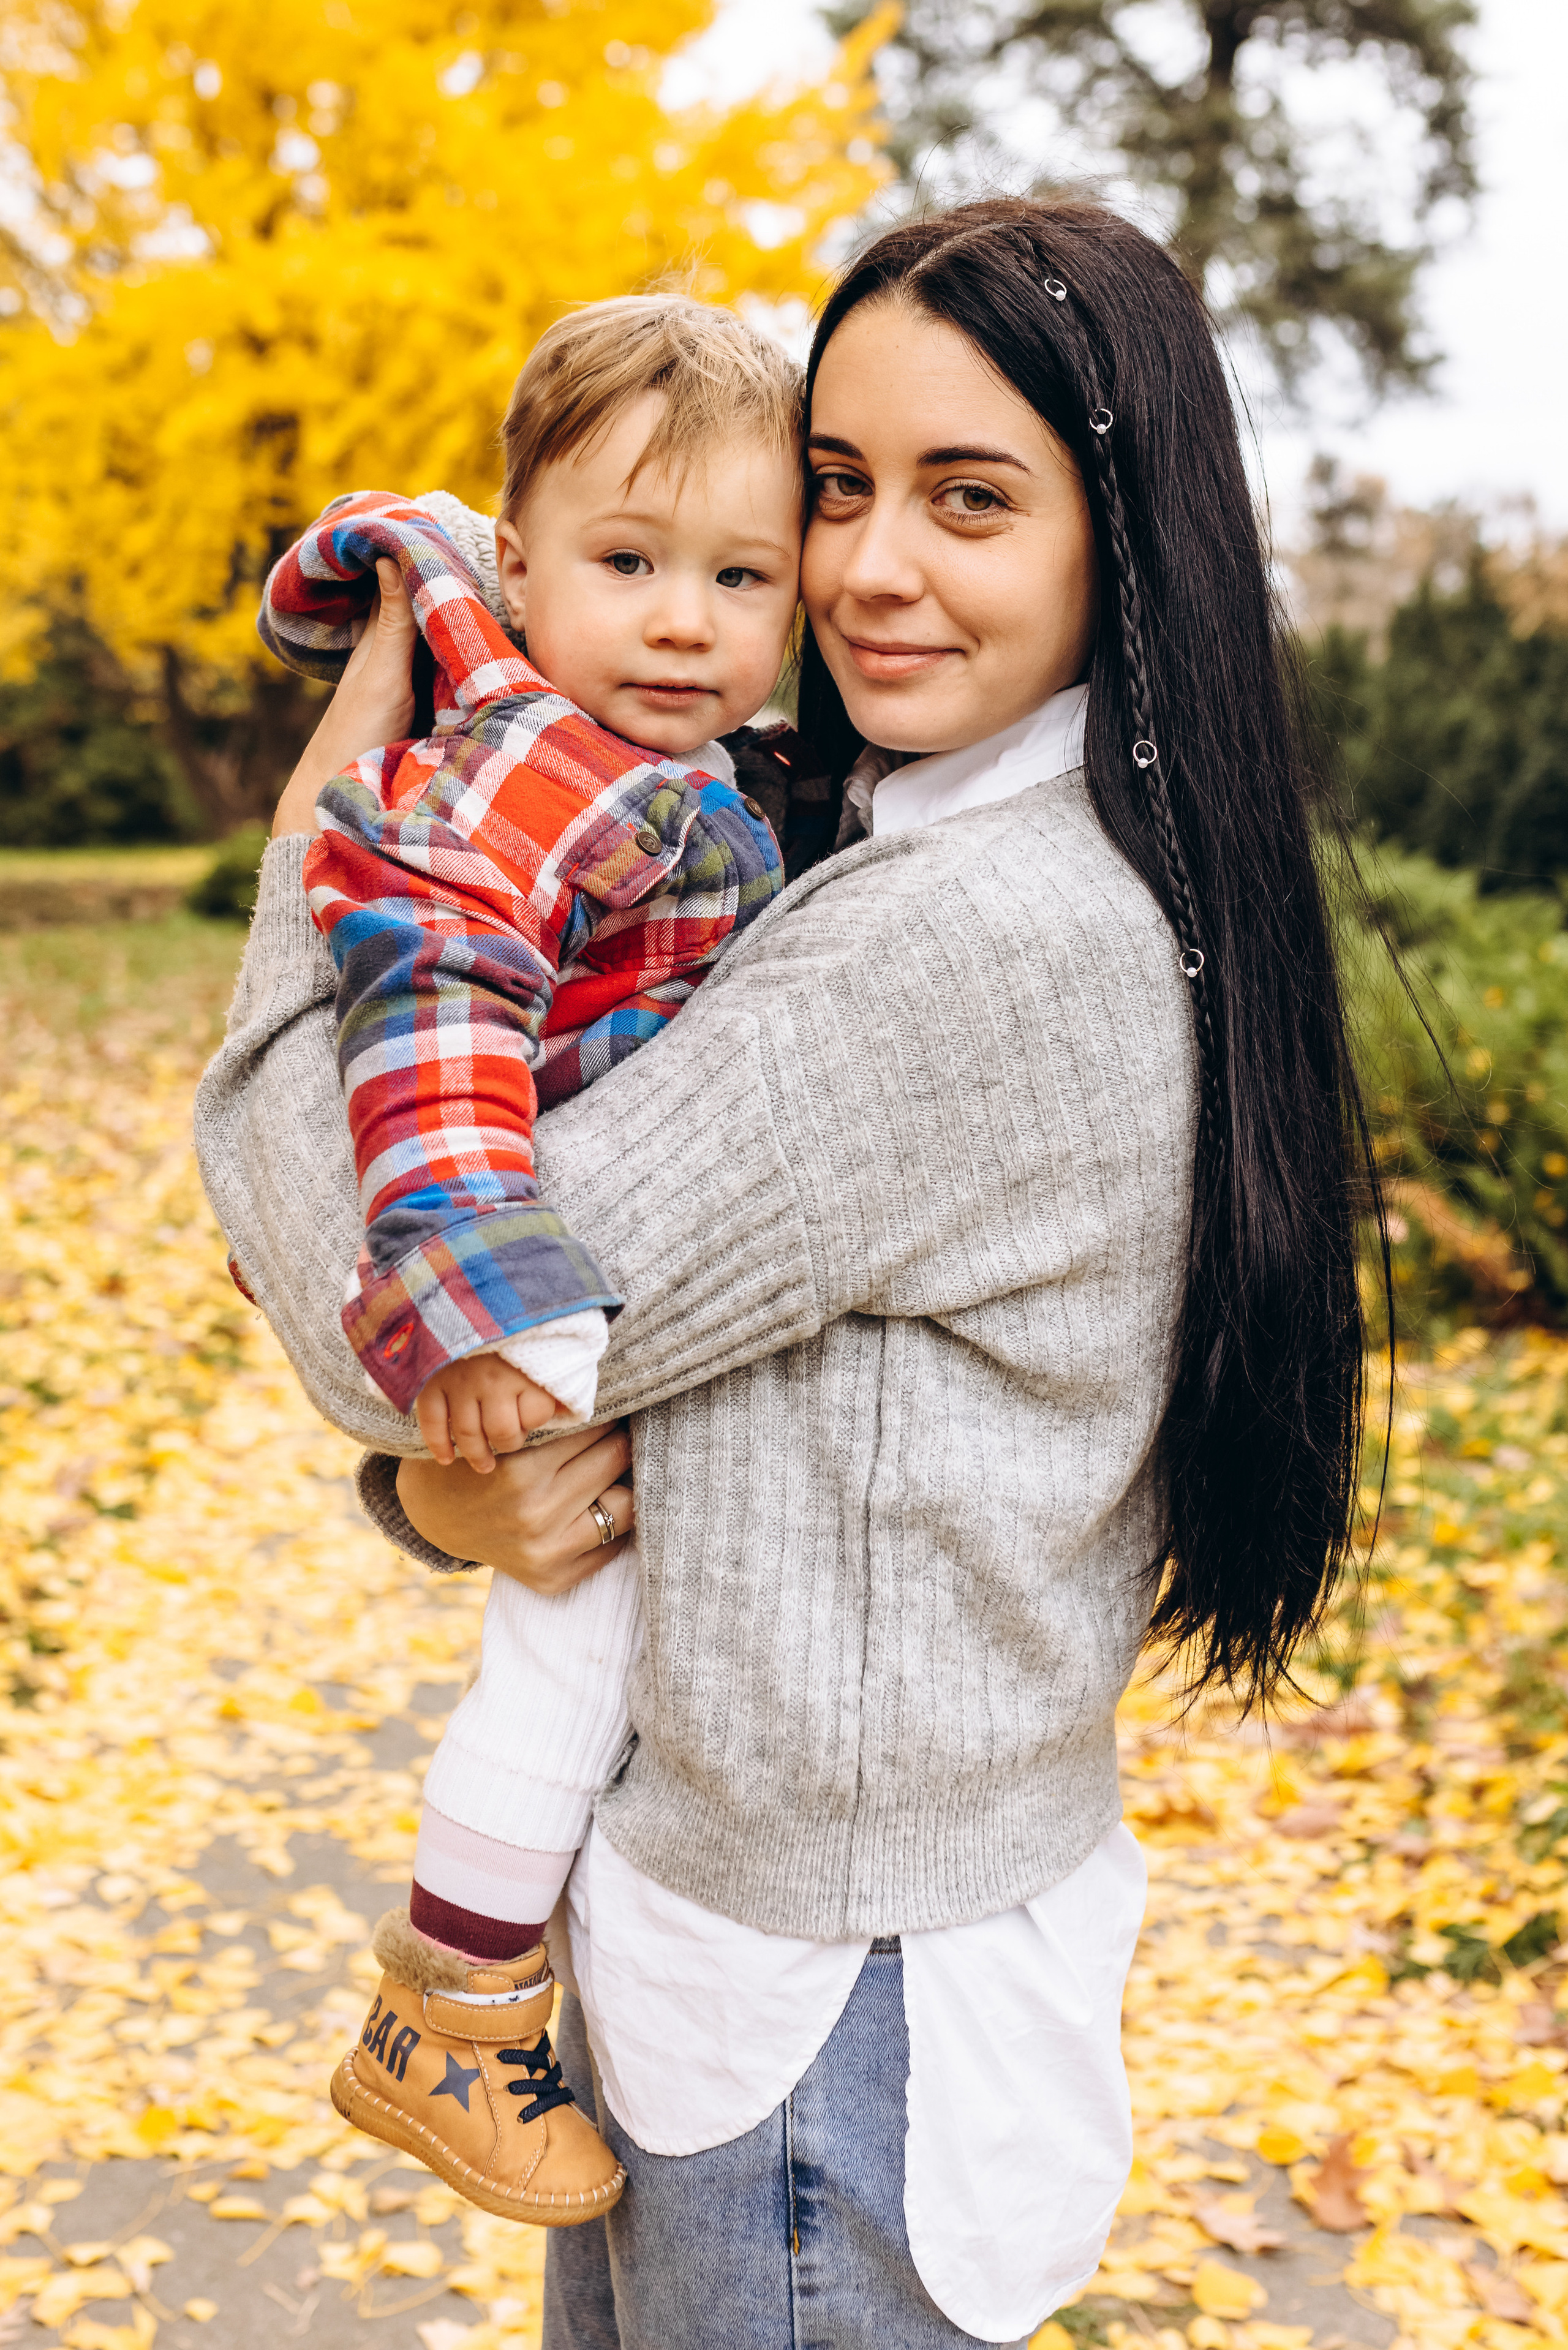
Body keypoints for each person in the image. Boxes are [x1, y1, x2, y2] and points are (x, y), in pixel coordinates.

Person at [196, 195, 1379, 2348]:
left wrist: (331, 834)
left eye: (971, 499)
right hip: (760, 1956)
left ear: (1126, 540)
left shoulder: (967, 950)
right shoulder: (900, 837)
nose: (863, 569)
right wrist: (450, 1494)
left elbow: (432, 1304)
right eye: (834, 490)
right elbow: (585, 1361)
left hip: (817, 2034)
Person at [233, 296, 837, 2224]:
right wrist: (472, 1277)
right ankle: (449, 2011)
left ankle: (486, 1975)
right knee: (568, 1639)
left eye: (741, 577)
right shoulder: (535, 770)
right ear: (520, 566)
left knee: (571, 1619)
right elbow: (429, 1003)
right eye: (630, 564)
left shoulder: (667, 762)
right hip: (499, 1233)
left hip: (531, 1208)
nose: (686, 621)